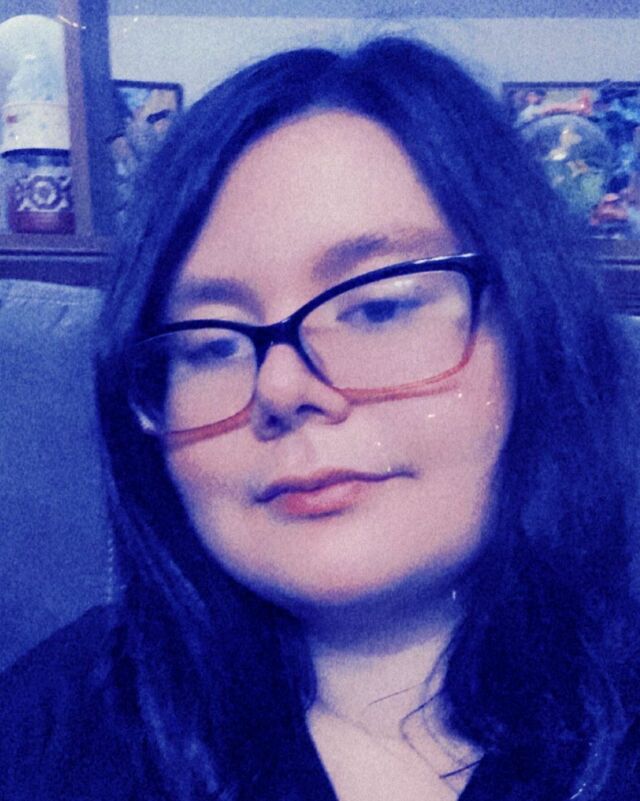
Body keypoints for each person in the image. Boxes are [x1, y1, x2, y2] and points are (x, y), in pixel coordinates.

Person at [1, 35, 639, 801]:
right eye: (209, 345)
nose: (280, 386)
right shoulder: (58, 724)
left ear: (536, 332)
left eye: (378, 307)